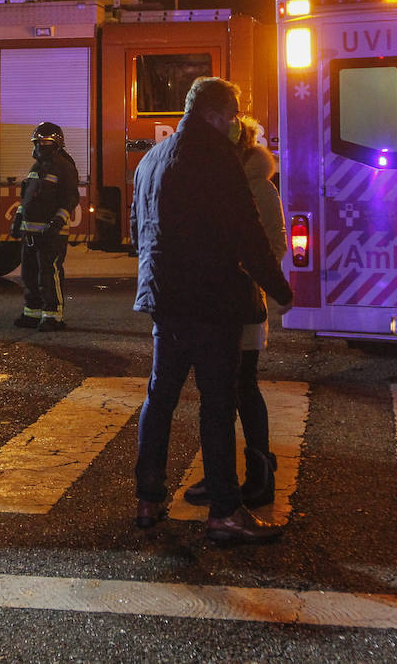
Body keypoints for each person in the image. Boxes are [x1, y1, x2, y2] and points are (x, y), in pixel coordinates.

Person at [132, 77, 294, 544]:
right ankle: (224, 512)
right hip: (211, 301)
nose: (234, 125)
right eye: (232, 116)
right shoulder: (217, 157)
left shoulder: (152, 159)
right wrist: (279, 289)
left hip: (165, 301)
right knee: (217, 405)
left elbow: (138, 230)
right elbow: (247, 232)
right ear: (216, 114)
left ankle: (148, 500)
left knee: (160, 399)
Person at [182, 114, 285, 509]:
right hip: (215, 302)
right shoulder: (219, 180)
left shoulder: (258, 187)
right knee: (218, 392)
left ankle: (260, 476)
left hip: (242, 301)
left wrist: (231, 271)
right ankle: (221, 473)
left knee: (242, 386)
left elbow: (273, 248)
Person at [11, 121, 80, 332]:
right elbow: (26, 198)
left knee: (49, 274)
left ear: (55, 144)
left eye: (43, 143)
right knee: (29, 274)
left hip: (51, 234)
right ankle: (32, 312)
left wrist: (57, 222)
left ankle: (53, 316)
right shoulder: (36, 168)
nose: (39, 147)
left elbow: (70, 199)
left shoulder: (65, 168)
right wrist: (18, 220)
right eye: (37, 143)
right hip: (30, 233)